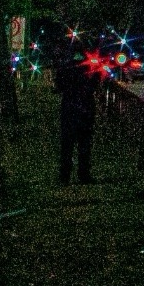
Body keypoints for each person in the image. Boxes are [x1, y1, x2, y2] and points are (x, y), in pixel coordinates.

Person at [52, 44, 98, 184]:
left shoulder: (65, 68)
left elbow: (59, 86)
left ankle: (64, 176)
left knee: (67, 144)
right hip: (85, 108)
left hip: (69, 108)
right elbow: (95, 84)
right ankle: (83, 174)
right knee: (84, 144)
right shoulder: (90, 67)